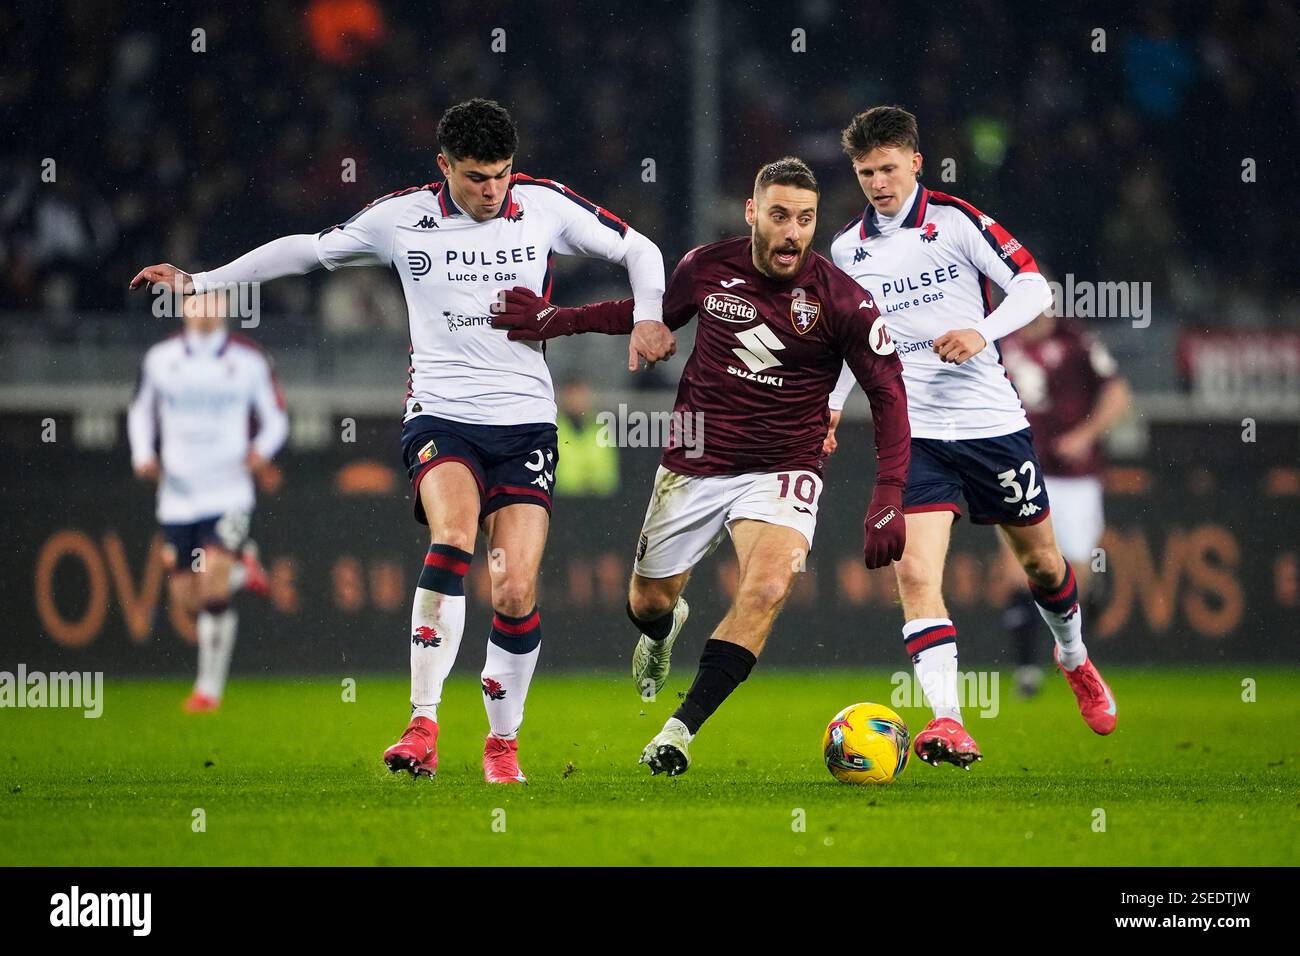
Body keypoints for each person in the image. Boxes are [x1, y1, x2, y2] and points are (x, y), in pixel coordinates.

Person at [129, 98, 673, 783]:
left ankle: (502, 746)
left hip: (527, 421)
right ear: (444, 166)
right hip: (440, 416)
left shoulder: (545, 205)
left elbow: (640, 249)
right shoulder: (400, 219)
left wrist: (649, 319)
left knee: (514, 587)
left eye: (502, 174)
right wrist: (202, 282)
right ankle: (423, 722)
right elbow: (307, 251)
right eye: (477, 176)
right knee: (453, 537)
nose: (492, 189)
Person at [492, 157, 910, 776]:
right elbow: (645, 316)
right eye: (779, 216)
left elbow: (890, 395)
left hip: (784, 467)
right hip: (696, 462)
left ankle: (677, 732)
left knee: (767, 587)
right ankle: (663, 631)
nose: (793, 232)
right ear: (751, 214)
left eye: (805, 219)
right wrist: (556, 320)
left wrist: (889, 493)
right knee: (647, 602)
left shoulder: (845, 302)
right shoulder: (706, 268)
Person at [825, 106, 1117, 768]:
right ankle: (949, 722)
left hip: (992, 426)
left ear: (916, 163)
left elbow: (1033, 286)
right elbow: (854, 340)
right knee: (916, 572)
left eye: (889, 168)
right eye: (866, 172)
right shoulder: (847, 249)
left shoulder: (954, 220)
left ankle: (1074, 658)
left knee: (1044, 563)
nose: (878, 182)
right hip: (916, 433)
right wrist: (833, 405)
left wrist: (982, 331)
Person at [127, 290, 286, 713]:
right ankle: (242, 568)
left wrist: (262, 450)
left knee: (213, 589)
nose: (203, 308)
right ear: (183, 308)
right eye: (195, 301)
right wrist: (143, 454)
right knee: (188, 599)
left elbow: (276, 416)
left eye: (212, 301)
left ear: (225, 308)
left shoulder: (249, 361)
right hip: (178, 497)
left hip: (229, 491)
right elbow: (141, 411)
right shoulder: (161, 359)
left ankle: (208, 690)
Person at [997, 311, 1131, 695]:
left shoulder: (1078, 341)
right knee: (1016, 569)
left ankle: (1075, 656)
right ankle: (1026, 670)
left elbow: (1118, 393)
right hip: (1022, 469)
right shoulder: (1001, 339)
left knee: (1073, 573)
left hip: (1076, 476)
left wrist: (1086, 435)